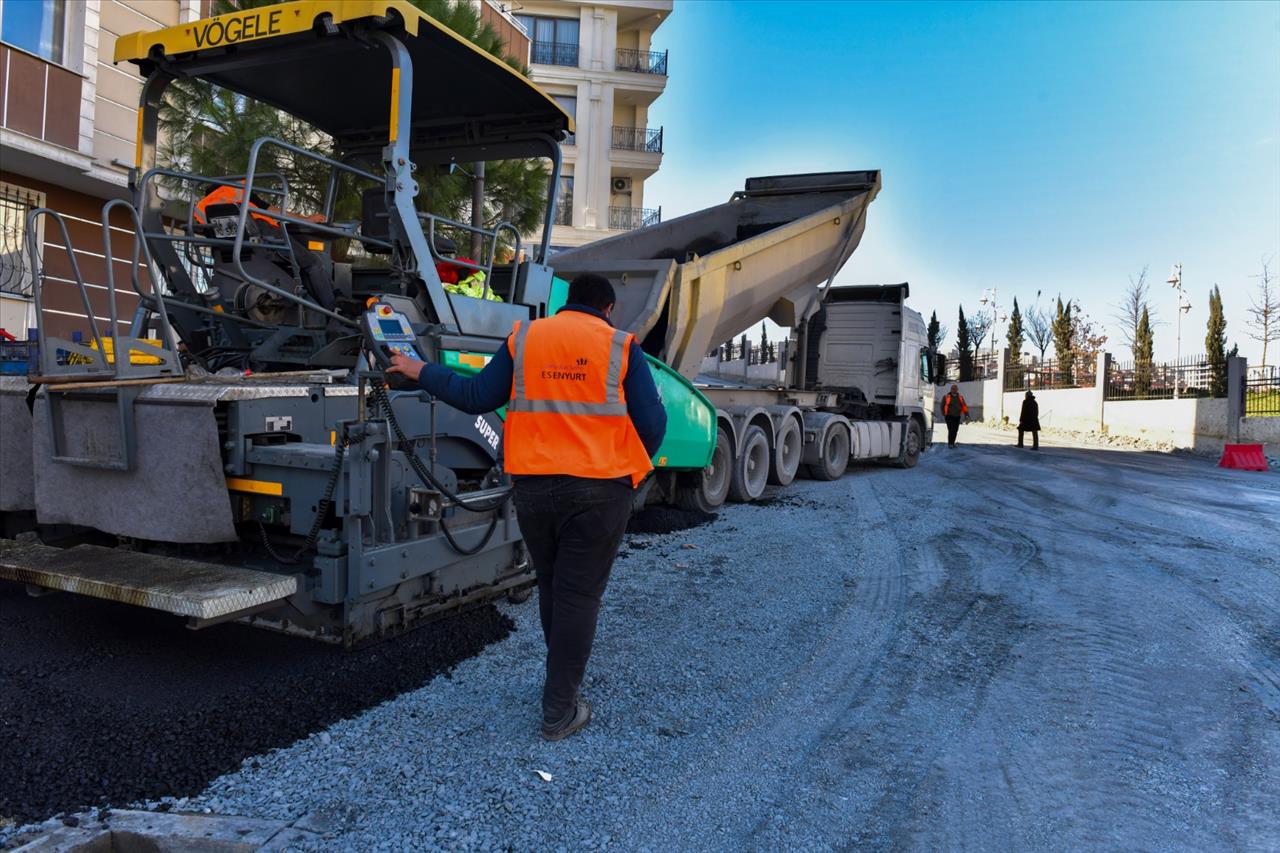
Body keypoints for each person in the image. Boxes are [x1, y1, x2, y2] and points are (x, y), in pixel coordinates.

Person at [387, 273, 666, 741]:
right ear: (608, 309)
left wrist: (419, 371)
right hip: (600, 490)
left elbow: (476, 397)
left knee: (554, 587)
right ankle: (559, 710)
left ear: (567, 304)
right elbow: (653, 424)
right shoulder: (621, 345)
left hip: (536, 488)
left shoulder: (526, 338)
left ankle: (559, 686)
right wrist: (630, 473)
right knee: (579, 596)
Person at [941, 383, 969, 448]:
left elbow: (964, 406)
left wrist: (966, 414)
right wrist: (944, 413)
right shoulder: (946, 396)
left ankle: (952, 443)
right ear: (951, 389)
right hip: (949, 416)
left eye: (955, 389)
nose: (954, 390)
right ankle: (950, 444)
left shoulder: (960, 397)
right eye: (953, 389)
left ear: (957, 390)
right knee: (951, 430)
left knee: (955, 430)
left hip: (957, 416)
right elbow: (942, 405)